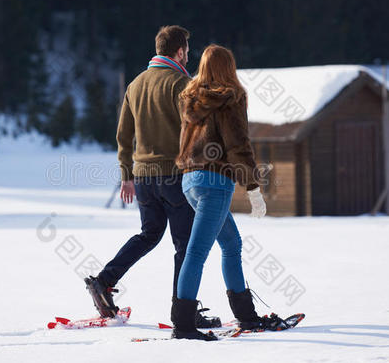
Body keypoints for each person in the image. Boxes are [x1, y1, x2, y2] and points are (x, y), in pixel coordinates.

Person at [84, 26, 220, 328]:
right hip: (175, 177)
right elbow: (197, 131)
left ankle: (105, 281)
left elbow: (123, 137)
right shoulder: (182, 83)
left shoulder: (135, 85)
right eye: (187, 50)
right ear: (180, 51)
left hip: (143, 179)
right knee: (185, 246)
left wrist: (126, 175)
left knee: (149, 234)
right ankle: (183, 311)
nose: (188, 55)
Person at [170, 44, 280, 341]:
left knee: (232, 244)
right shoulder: (231, 97)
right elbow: (238, 145)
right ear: (228, 68)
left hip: (190, 181)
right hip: (215, 183)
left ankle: (246, 315)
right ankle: (183, 326)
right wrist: (254, 188)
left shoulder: (191, 98)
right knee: (197, 252)